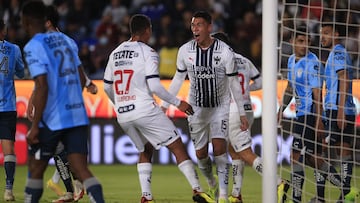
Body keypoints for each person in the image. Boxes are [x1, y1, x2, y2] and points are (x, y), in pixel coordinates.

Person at [103, 14, 213, 203]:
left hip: (123, 114)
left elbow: (106, 86)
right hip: (144, 109)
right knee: (177, 146)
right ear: (147, 30)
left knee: (145, 150)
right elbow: (154, 86)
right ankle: (198, 190)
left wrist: (120, 104)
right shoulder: (149, 52)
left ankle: (146, 196)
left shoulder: (115, 52)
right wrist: (179, 103)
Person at [21, 1, 105, 202]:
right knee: (82, 169)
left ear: (26, 21)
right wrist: (89, 85)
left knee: (36, 167)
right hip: (77, 113)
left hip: (54, 117)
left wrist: (34, 126)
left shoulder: (34, 46)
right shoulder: (66, 41)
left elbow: (42, 86)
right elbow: (79, 71)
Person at [161, 11, 249, 203]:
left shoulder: (224, 51)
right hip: (196, 108)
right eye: (193, 25)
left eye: (199, 25)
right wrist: (165, 104)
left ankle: (224, 196)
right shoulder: (185, 51)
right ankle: (211, 183)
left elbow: (234, 83)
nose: (195, 29)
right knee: (200, 154)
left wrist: (242, 113)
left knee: (219, 148)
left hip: (220, 106)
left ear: (210, 27)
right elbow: (178, 78)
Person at [212, 32, 290, 203]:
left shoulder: (218, 60)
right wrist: (246, 91)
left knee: (245, 153)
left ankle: (277, 182)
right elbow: (261, 82)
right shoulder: (244, 60)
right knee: (234, 151)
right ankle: (236, 194)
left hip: (232, 111)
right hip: (247, 109)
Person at [279, 26, 352, 203]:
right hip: (301, 114)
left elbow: (318, 94)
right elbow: (290, 87)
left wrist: (319, 120)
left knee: (297, 156)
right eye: (300, 41)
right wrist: (280, 110)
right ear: (292, 42)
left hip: (310, 115)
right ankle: (345, 189)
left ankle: (297, 198)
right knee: (313, 159)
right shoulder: (291, 60)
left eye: (307, 42)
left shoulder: (312, 62)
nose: (304, 45)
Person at [320, 21, 359, 202]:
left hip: (338, 109)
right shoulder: (336, 53)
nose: (323, 37)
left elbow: (344, 80)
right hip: (339, 108)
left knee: (319, 150)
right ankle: (346, 194)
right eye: (321, 33)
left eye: (326, 33)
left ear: (336, 34)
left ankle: (336, 193)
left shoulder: (337, 52)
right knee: (343, 151)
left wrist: (341, 111)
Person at [0, 19, 25, 201]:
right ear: (3, 30)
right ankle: (8, 190)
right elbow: (21, 73)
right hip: (7, 105)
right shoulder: (14, 49)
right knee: (8, 147)